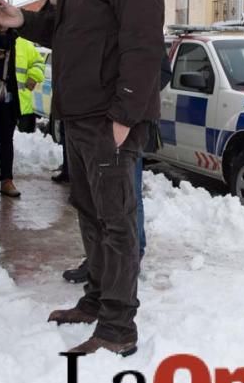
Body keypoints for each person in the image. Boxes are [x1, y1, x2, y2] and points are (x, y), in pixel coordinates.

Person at [0, 0, 164, 356]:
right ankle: (97, 301)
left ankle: (118, 329)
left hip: (109, 119)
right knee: (90, 216)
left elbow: (144, 44)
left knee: (117, 222)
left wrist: (124, 116)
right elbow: (62, 33)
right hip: (79, 117)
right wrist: (19, 20)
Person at [62, 53, 172, 283]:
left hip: (127, 126)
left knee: (128, 195)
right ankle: (98, 260)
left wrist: (127, 104)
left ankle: (131, 257)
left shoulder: (139, 28)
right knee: (96, 197)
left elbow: (160, 72)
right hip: (98, 124)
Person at [0, 18, 45, 198]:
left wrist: (34, 76)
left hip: (11, 102)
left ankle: (6, 180)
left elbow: (38, 62)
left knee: (7, 141)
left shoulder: (22, 42)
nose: (1, 24)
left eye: (4, 20)